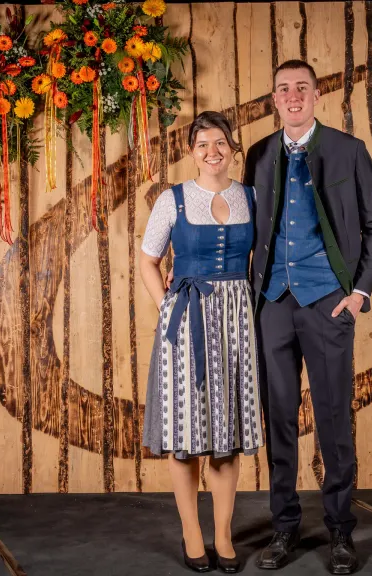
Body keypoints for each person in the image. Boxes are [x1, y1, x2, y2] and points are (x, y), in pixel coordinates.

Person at [243, 59, 372, 574]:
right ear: (274, 99)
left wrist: (359, 292)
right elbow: (248, 230)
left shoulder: (349, 151)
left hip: (329, 301)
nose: (293, 96)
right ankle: (283, 528)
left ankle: (340, 532)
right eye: (283, 89)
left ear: (318, 94)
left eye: (301, 87)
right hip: (273, 305)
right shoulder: (259, 155)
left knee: (332, 420)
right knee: (278, 419)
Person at [140, 110, 263, 574]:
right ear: (191, 153)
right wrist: (167, 306)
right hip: (187, 321)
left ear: (233, 147)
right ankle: (193, 533)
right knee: (186, 437)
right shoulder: (172, 200)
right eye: (202, 145)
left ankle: (224, 535)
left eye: (220, 143)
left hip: (236, 320)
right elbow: (148, 260)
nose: (212, 152)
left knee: (225, 436)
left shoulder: (250, 196)